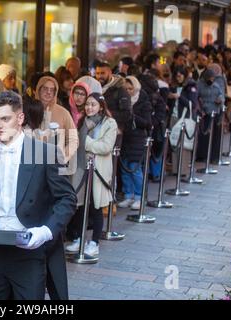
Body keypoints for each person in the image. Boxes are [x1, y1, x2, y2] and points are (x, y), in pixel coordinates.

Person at [0, 90, 77, 300]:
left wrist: (46, 231)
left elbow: (67, 199)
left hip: (28, 251)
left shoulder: (45, 153)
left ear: (20, 118)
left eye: (5, 119)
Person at [67, 93, 117, 256]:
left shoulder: (109, 123)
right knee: (80, 206)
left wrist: (86, 142)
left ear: (101, 106)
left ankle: (95, 241)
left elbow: (106, 147)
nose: (89, 107)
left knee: (96, 207)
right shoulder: (82, 121)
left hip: (98, 170)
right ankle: (80, 238)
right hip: (82, 168)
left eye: (93, 104)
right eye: (87, 104)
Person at [118, 76, 152, 210]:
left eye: (130, 88)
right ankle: (128, 195)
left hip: (138, 139)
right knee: (125, 168)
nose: (127, 91)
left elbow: (147, 123)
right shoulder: (122, 101)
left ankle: (139, 197)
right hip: (125, 139)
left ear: (136, 88)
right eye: (125, 88)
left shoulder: (144, 102)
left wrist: (132, 116)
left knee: (135, 169)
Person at [34, 76, 79, 163]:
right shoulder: (29, 110)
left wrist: (63, 158)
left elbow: (73, 140)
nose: (48, 92)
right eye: (45, 88)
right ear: (38, 89)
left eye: (52, 90)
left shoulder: (63, 113)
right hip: (32, 164)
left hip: (55, 165)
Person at [95, 61, 132, 140]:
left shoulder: (120, 90)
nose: (99, 76)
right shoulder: (93, 88)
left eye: (102, 73)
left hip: (114, 134)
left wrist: (106, 113)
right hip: (95, 134)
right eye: (97, 73)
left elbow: (127, 114)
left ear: (110, 73)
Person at [196, 69, 225, 163]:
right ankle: (202, 155)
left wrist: (220, 99)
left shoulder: (216, 85)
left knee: (215, 136)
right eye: (210, 78)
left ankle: (214, 156)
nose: (211, 80)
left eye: (213, 78)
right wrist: (200, 109)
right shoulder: (199, 85)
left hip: (214, 112)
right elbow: (196, 97)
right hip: (204, 113)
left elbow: (221, 95)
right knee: (203, 136)